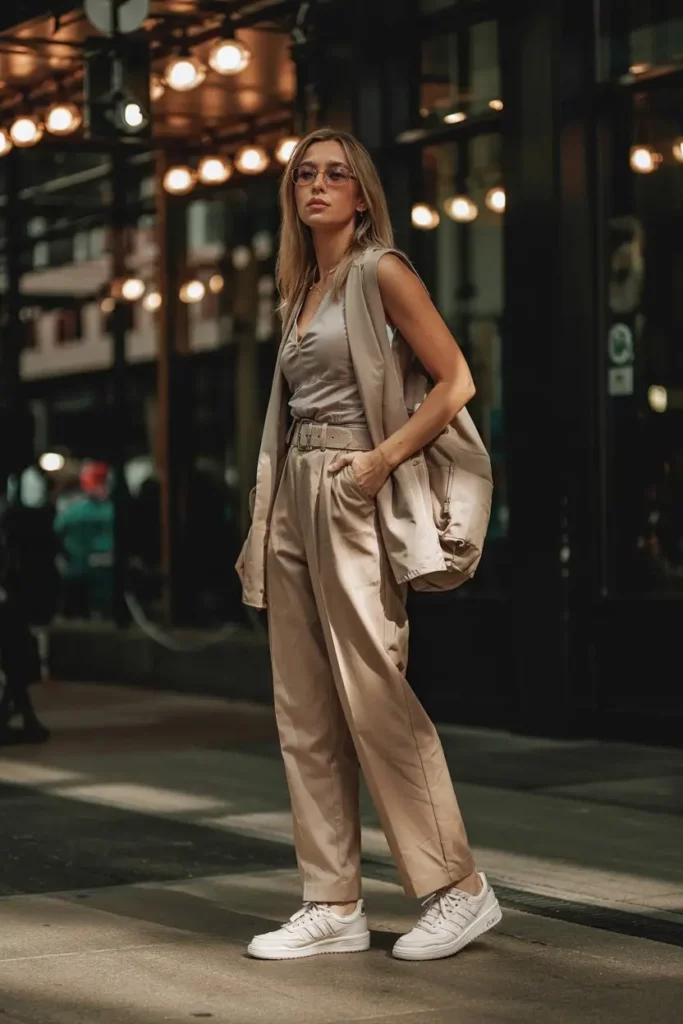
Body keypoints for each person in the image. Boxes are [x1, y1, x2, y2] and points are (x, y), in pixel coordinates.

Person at [236, 128, 501, 962]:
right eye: (304, 174)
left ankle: (459, 887)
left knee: (372, 694)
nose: (316, 185)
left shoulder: (378, 270)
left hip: (351, 487)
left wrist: (378, 463)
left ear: (361, 194)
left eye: (334, 174)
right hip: (293, 500)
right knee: (303, 709)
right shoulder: (299, 289)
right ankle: (332, 900)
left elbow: (455, 378)